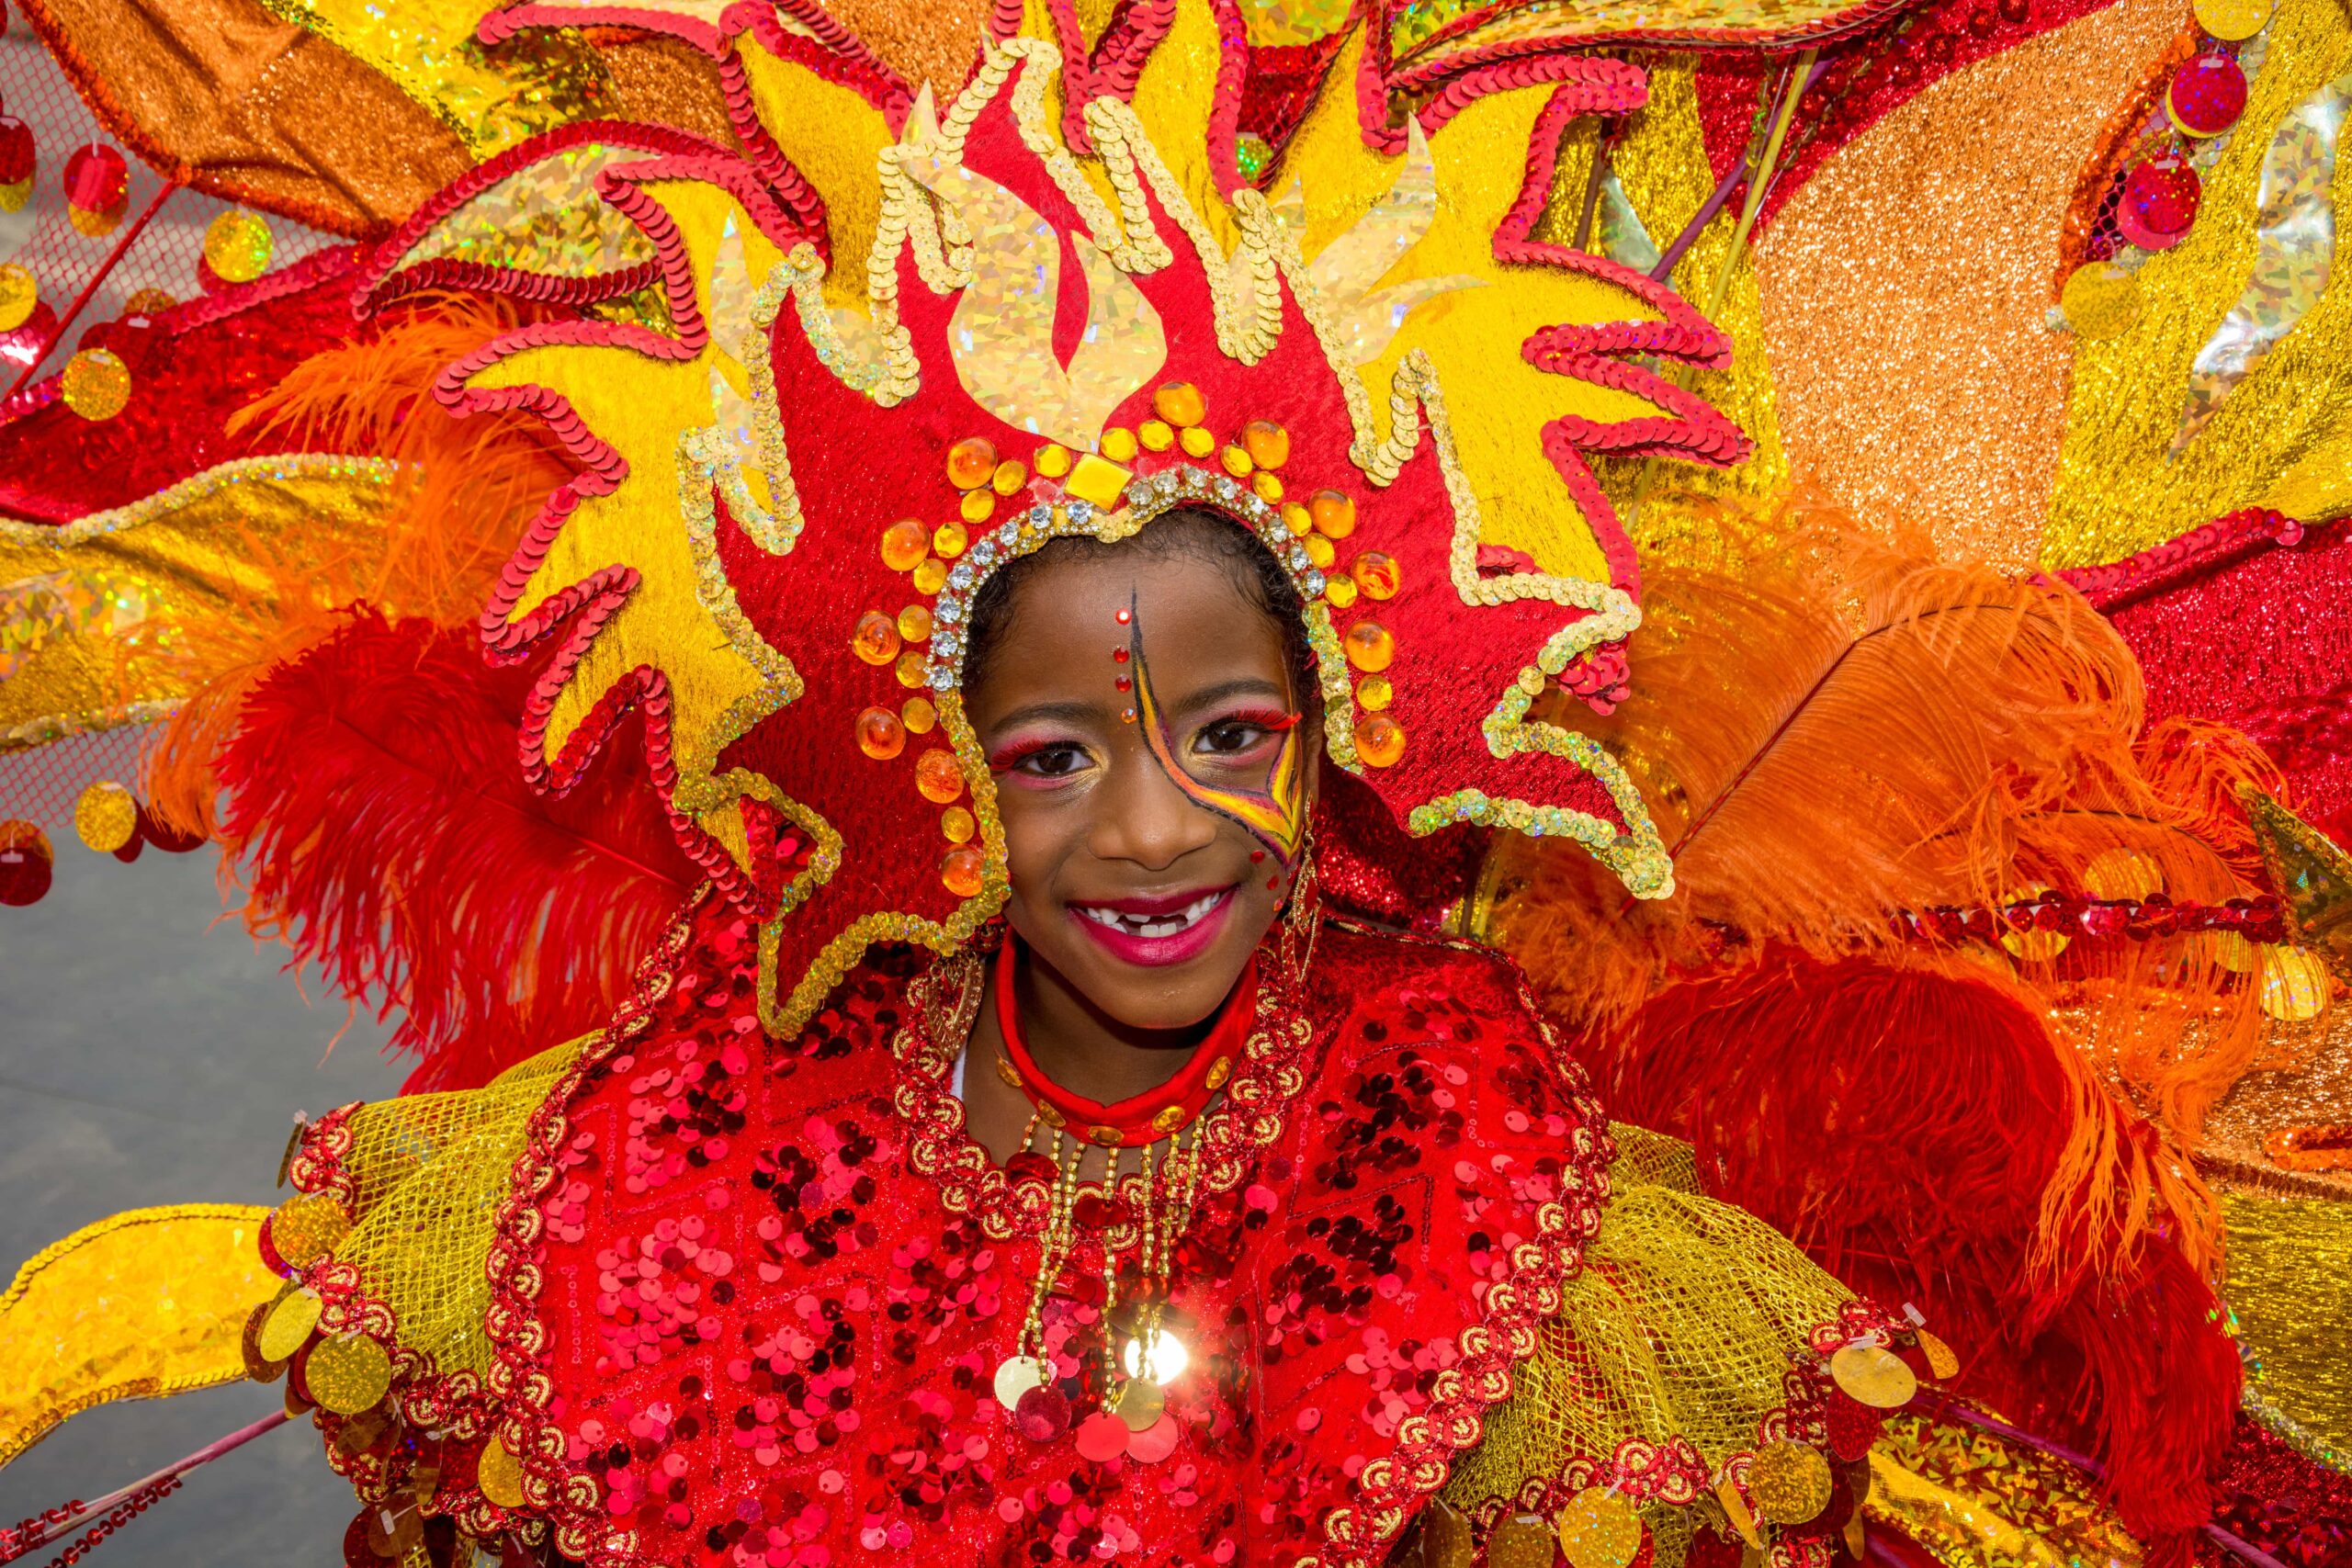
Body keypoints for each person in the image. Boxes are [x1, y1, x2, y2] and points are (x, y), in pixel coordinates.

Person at [259, 500, 1931, 1568]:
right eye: (1053, 757)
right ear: (939, 764)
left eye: (1232, 735)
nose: (1152, 830)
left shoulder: (1435, 1124)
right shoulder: (757, 1076)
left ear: (1326, 742)